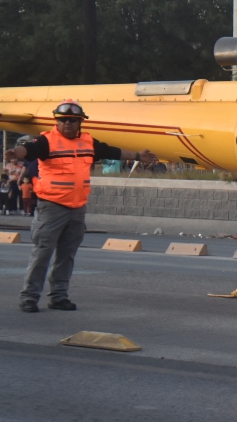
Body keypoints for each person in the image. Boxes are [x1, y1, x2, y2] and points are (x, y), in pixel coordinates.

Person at [6, 100, 159, 313]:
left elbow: (111, 151)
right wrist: (16, 152)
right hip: (51, 207)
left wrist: (137, 156)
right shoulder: (46, 141)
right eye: (63, 120)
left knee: (67, 255)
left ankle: (59, 297)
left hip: (77, 208)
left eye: (72, 120)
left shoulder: (88, 143)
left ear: (80, 123)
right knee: (42, 253)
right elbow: (28, 149)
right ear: (57, 122)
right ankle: (29, 297)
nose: (67, 123)